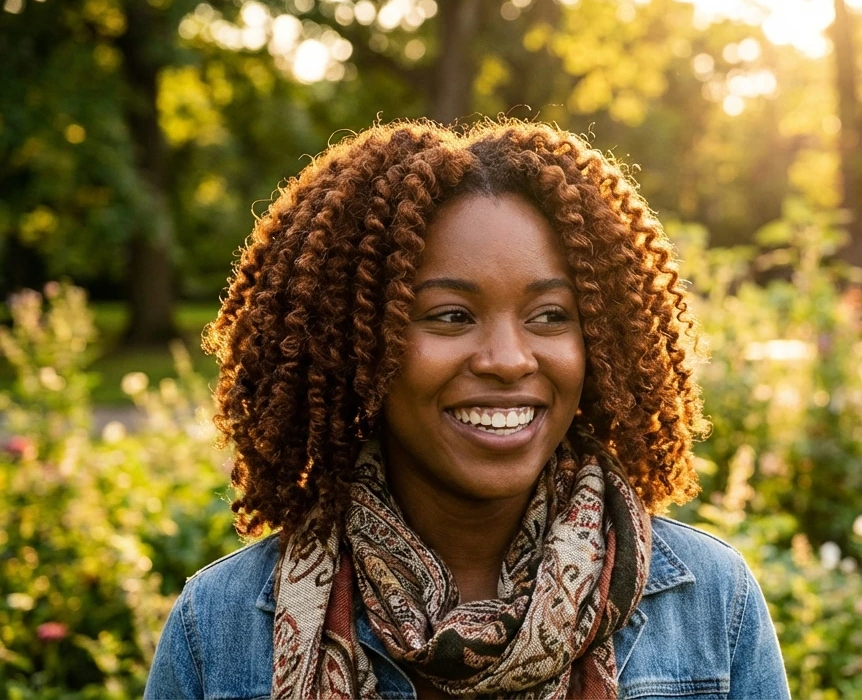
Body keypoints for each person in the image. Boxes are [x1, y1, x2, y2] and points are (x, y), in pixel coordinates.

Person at [144, 120, 790, 699]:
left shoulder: (709, 604)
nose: (508, 359)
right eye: (451, 316)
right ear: (357, 344)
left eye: (550, 316)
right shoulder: (222, 628)